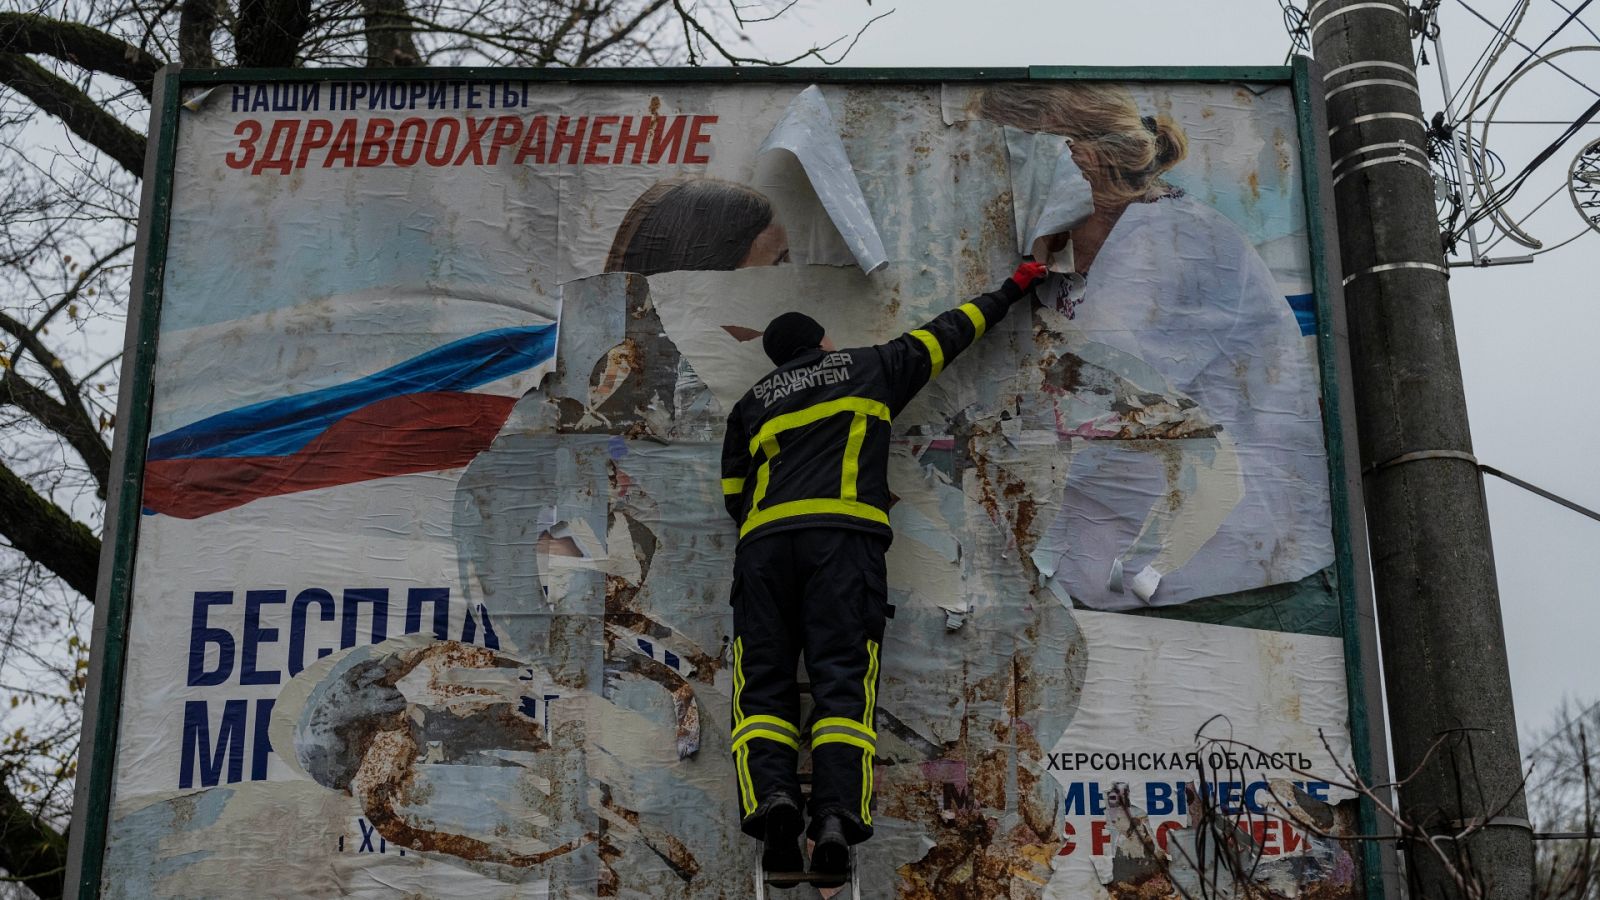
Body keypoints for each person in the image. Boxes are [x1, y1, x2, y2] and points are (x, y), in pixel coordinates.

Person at [718, 260, 1047, 884]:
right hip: (842, 546)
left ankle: (776, 804)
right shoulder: (869, 368)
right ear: (822, 342)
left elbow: (734, 492)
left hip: (762, 549)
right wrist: (1015, 285)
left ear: (776, 359)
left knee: (761, 688)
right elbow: (952, 331)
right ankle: (836, 817)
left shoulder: (751, 403)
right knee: (842, 683)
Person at [978, 83, 1334, 608]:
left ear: (1080, 159)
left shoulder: (1174, 242)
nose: (988, 193)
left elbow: (1087, 411)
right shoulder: (1070, 262)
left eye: (999, 165)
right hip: (1140, 586)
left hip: (1235, 589)